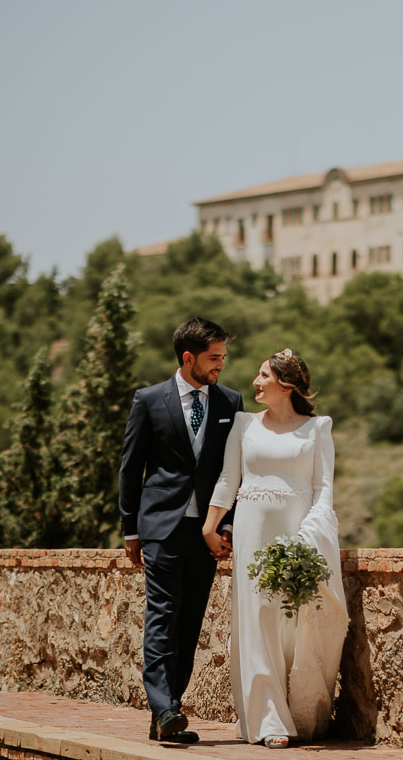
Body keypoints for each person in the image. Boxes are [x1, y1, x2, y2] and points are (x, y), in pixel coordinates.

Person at [202, 348, 347, 749]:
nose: (255, 382)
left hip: (298, 532)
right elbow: (228, 479)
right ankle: (267, 718)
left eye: (263, 375)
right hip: (252, 528)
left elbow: (324, 488)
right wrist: (210, 526)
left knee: (294, 619)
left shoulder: (317, 429)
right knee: (259, 616)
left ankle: (294, 707)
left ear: (285, 385)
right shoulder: (244, 424)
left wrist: (310, 534)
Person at [119, 317, 244, 744]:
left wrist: (225, 525)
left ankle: (166, 712)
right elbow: (131, 467)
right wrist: (130, 529)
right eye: (213, 358)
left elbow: (234, 472)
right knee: (162, 616)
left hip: (205, 533)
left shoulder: (231, 402)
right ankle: (165, 707)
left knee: (189, 622)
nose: (220, 366)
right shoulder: (149, 400)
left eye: (223, 357)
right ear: (188, 357)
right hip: (160, 528)